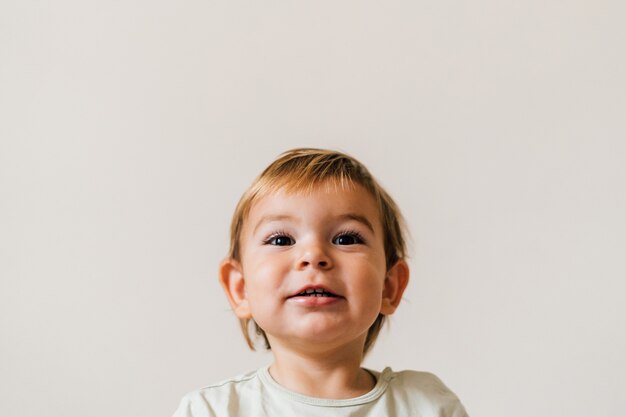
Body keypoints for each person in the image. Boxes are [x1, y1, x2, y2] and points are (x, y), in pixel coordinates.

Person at [173, 148, 469, 416]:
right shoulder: (211, 411)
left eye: (346, 238)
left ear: (389, 286)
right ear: (241, 288)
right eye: (281, 239)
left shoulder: (427, 407)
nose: (313, 256)